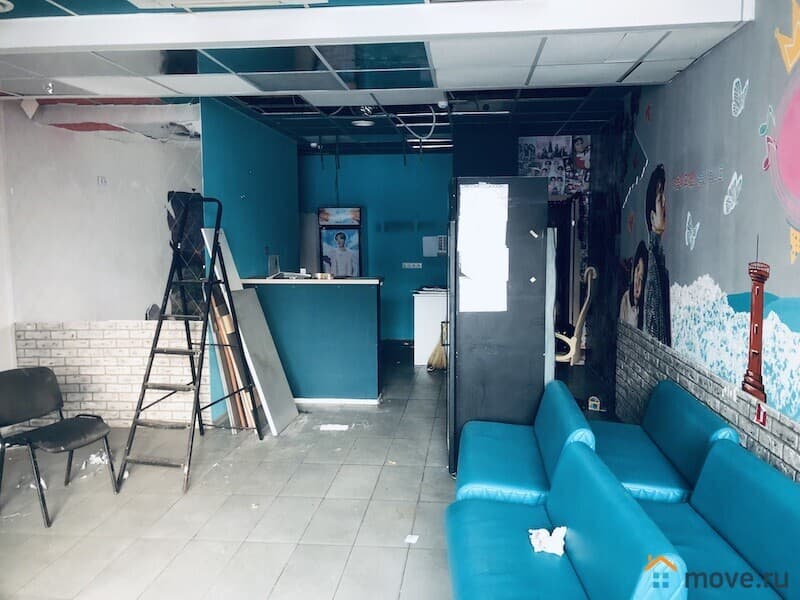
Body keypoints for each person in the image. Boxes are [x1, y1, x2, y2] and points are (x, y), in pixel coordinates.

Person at [643, 164, 671, 345]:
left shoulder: (656, 257)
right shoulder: (653, 264)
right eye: (660, 198)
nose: (664, 203)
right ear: (652, 217)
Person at [619, 241, 648, 329]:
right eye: (637, 270)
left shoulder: (647, 306)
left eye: (641, 278)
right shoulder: (626, 298)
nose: (637, 281)